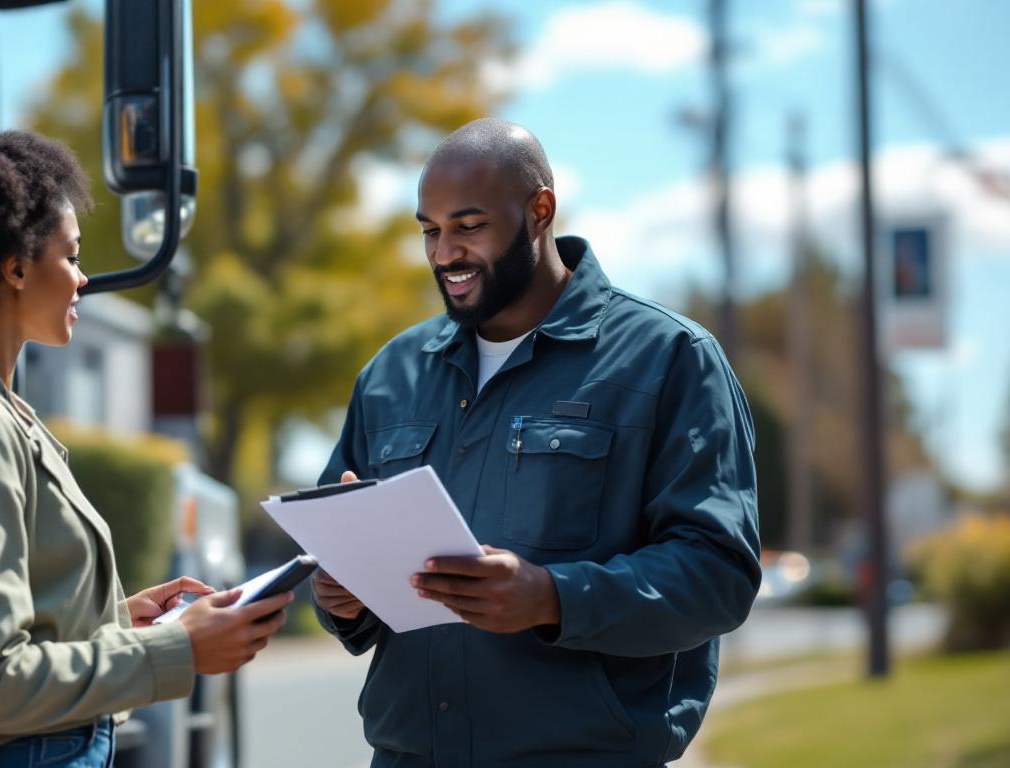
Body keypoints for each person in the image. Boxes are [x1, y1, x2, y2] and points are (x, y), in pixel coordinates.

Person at [0, 129, 290, 767]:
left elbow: (17, 634)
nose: (82, 279)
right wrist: (177, 649)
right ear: (15, 267)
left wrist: (119, 622)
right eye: (71, 256)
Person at [311, 118, 761, 767]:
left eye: (468, 227)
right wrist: (339, 596)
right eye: (430, 231)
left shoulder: (668, 360)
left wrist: (551, 597)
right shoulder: (391, 375)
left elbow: (718, 575)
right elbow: (334, 570)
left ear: (539, 211)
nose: (444, 254)